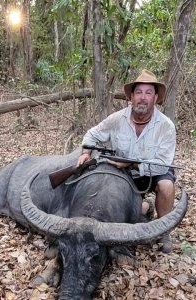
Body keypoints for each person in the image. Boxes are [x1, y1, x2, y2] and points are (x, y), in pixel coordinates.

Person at [77, 69, 176, 253]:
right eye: (138, 92)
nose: (142, 98)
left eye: (148, 93)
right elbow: (92, 134)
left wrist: (133, 163)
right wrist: (85, 153)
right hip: (123, 174)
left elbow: (162, 163)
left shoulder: (166, 126)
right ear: (131, 96)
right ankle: (143, 207)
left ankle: (164, 231)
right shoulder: (117, 119)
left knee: (166, 186)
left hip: (152, 171)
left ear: (155, 98)